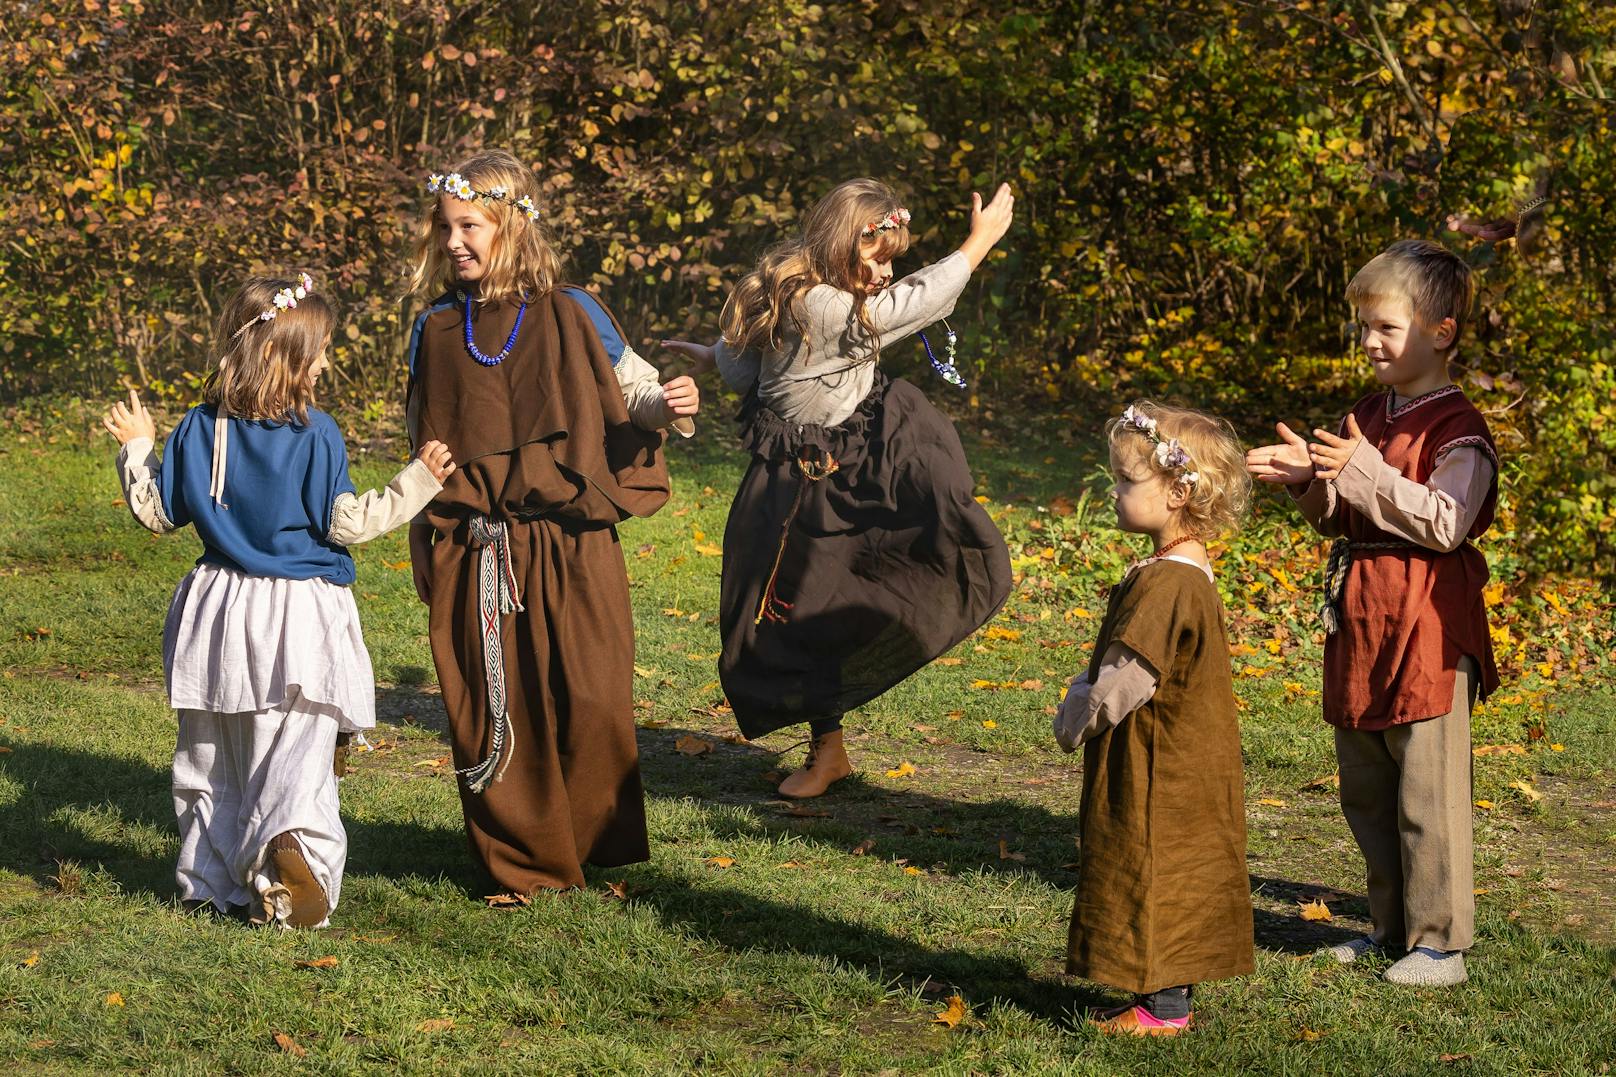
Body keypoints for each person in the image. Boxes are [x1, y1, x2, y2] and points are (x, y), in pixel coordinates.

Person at [102, 273, 454, 927]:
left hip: (217, 610)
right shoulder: (316, 434)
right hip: (301, 613)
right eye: (319, 350)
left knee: (209, 754)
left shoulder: (198, 429)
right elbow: (346, 523)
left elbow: (156, 512)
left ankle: (207, 882)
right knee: (297, 751)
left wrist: (137, 445)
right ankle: (295, 868)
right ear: (290, 357)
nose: (325, 362)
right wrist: (419, 482)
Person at [404, 150, 698, 895]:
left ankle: (590, 840)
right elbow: (422, 439)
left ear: (511, 223)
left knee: (593, 701)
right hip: (482, 549)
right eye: (445, 227)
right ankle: (523, 865)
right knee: (498, 710)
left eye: (469, 225)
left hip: (573, 541)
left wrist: (670, 404)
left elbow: (632, 392)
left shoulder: (573, 310)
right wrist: (424, 535)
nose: (453, 242)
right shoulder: (436, 328)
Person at [661, 178, 1014, 798]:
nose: (885, 272)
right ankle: (829, 748)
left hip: (841, 469)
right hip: (791, 483)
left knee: (811, 607)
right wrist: (977, 243)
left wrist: (715, 356)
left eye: (893, 260)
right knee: (780, 610)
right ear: (837, 243)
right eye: (876, 257)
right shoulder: (817, 302)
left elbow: (759, 358)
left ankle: (828, 751)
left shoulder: (811, 291)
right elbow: (900, 310)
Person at [1246, 239, 1500, 987]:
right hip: (1362, 618)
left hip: (1427, 623)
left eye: (1386, 327)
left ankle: (1441, 940)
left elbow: (1445, 519)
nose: (1368, 341)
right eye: (1365, 326)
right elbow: (1342, 515)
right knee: (1368, 784)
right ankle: (1390, 928)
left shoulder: (1460, 428)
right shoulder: (1366, 412)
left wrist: (1360, 469)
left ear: (1441, 331)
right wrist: (1309, 483)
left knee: (1427, 788)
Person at [1054, 400, 1254, 1035]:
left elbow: (1128, 679)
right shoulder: (1181, 570)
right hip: (1176, 759)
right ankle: (1154, 999)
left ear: (1176, 490)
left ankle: (1164, 1010)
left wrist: (1075, 716)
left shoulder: (1169, 582)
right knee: (1164, 866)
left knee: (1157, 867)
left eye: (1125, 481)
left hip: (1161, 767)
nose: (1113, 490)